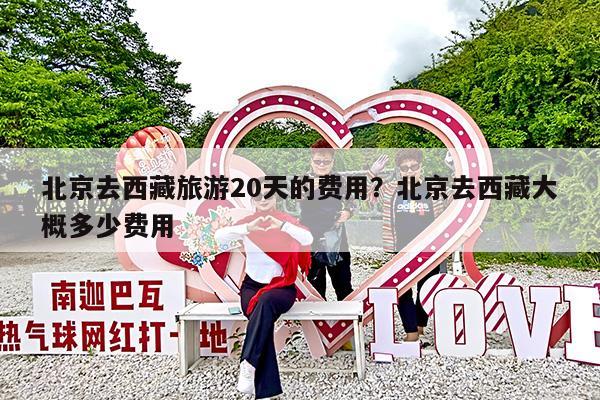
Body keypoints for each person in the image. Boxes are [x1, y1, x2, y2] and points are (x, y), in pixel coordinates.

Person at [214, 179, 313, 399]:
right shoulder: (248, 224)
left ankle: (248, 363)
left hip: (281, 288)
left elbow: (308, 238)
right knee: (262, 320)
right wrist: (248, 228)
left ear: (275, 197)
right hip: (251, 287)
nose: (263, 200)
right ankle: (266, 391)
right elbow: (219, 237)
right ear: (253, 201)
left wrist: (282, 226)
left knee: (265, 303)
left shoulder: (286, 222)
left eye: (267, 195)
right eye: (258, 197)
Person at [368, 149, 450, 342]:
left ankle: (420, 326)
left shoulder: (433, 187)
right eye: (404, 168)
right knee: (402, 289)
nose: (409, 171)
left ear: (421, 167)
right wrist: (373, 173)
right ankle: (411, 331)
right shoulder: (391, 189)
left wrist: (453, 167)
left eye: (414, 166)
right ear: (399, 170)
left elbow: (459, 195)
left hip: (429, 248)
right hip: (400, 248)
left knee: (427, 287)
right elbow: (367, 192)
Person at [299, 138, 355, 301]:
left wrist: (347, 212)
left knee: (343, 285)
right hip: (311, 238)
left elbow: (352, 202)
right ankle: (317, 318)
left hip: (336, 238)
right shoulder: (304, 180)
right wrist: (308, 191)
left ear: (332, 161)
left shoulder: (340, 180)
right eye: (318, 161)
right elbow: (292, 198)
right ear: (311, 161)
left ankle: (345, 317)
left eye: (326, 161)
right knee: (315, 288)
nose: (322, 165)